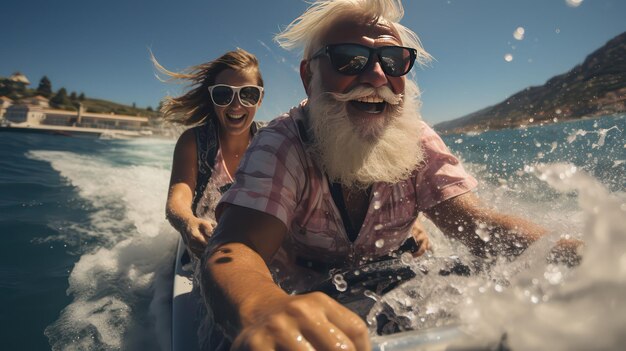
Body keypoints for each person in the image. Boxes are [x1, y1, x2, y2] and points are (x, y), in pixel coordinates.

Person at [200, 1, 581, 350]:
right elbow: (236, 248)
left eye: (394, 60)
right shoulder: (281, 145)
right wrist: (264, 308)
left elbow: (480, 225)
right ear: (308, 75)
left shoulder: (416, 138)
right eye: (350, 59)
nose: (378, 75)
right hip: (304, 297)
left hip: (396, 284)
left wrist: (587, 258)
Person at [158, 48, 265, 258]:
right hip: (204, 248)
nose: (236, 104)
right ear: (212, 97)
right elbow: (178, 198)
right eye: (224, 94)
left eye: (248, 94)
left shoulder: (271, 141)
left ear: (259, 99)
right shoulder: (192, 142)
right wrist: (188, 222)